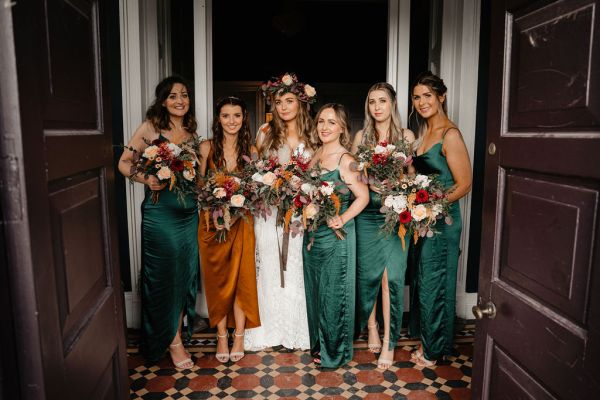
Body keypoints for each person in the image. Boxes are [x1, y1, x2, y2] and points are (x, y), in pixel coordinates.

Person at [118, 76, 200, 369]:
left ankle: (174, 332)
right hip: (160, 214)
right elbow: (124, 163)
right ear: (163, 100)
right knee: (163, 276)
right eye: (174, 96)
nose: (180, 101)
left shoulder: (191, 131)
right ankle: (172, 341)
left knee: (183, 276)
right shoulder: (150, 128)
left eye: (185, 95)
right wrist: (147, 178)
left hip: (188, 214)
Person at [244, 73, 315, 351]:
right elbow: (256, 171)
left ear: (300, 102)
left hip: (298, 214)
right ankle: (269, 330)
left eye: (289, 100)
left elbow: (320, 173)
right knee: (271, 268)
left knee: (295, 266)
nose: (283, 106)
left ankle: (295, 329)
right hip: (270, 212)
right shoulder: (265, 132)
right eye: (279, 101)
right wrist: (270, 182)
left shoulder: (312, 134)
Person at [408, 71, 472, 367]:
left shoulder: (450, 134)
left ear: (441, 97)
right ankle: (430, 341)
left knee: (436, 282)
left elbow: (464, 183)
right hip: (424, 222)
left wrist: (431, 207)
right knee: (424, 281)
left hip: (443, 222)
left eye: (427, 96)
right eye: (417, 97)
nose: (422, 102)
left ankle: (433, 351)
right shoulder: (424, 135)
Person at [351, 83, 415, 369]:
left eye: (383, 101)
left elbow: (413, 176)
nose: (377, 107)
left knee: (392, 277)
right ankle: (372, 326)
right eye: (372, 101)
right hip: (367, 214)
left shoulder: (406, 136)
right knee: (369, 275)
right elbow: (351, 177)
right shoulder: (360, 138)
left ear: (392, 104)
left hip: (395, 215)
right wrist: (369, 180)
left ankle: (390, 341)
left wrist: (399, 183)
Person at [303, 103, 369, 368]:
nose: (324, 127)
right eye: (321, 121)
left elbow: (364, 196)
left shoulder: (347, 160)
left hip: (336, 236)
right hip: (312, 236)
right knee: (316, 292)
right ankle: (320, 344)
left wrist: (342, 218)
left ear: (342, 128)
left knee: (334, 293)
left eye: (331, 122)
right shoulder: (315, 154)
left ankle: (334, 351)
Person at [197, 96, 260, 363]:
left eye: (237, 115)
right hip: (213, 224)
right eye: (226, 116)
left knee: (242, 279)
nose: (231, 121)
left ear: (244, 118)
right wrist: (216, 207)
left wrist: (237, 211)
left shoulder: (253, 151)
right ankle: (222, 334)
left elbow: (257, 191)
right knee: (217, 280)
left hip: (242, 222)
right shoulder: (206, 148)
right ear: (218, 119)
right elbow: (199, 187)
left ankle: (240, 336)